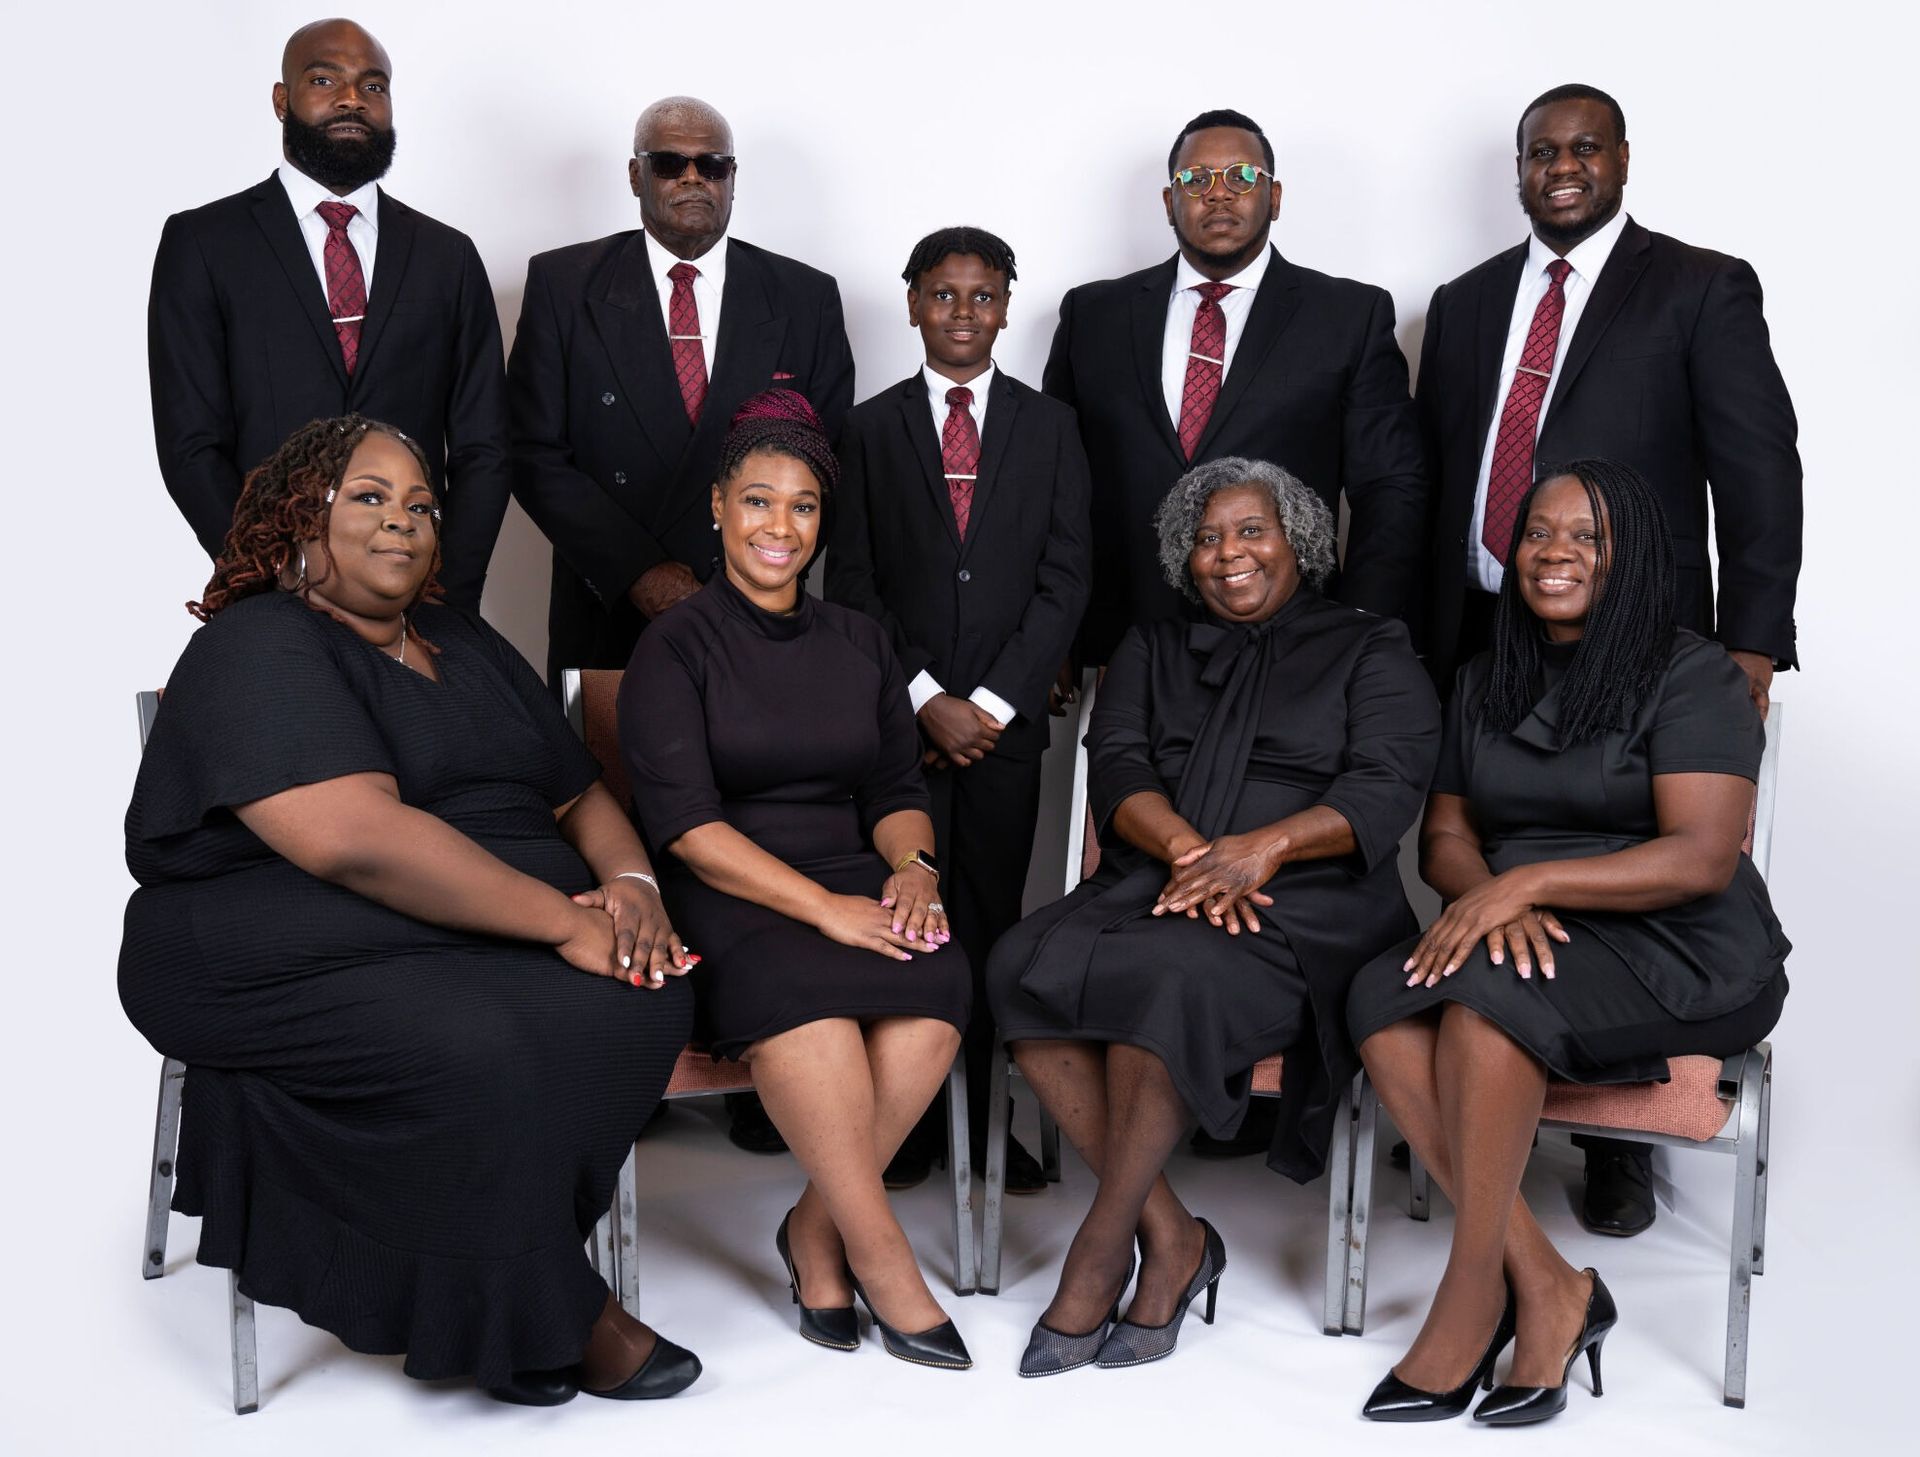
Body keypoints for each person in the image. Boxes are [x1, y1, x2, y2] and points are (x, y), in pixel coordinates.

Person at [119, 417, 702, 1406]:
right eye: (370, 496)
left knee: (644, 993)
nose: (404, 519)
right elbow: (355, 840)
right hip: (279, 936)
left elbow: (579, 792)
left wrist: (633, 888)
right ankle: (556, 1312)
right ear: (300, 517)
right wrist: (568, 921)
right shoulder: (258, 641)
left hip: (464, 921)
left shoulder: (465, 639)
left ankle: (495, 1282)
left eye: (422, 505)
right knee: (484, 1042)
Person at [1412, 83, 1802, 1235]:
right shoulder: (1466, 302)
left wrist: (1751, 644)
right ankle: (1478, 1081)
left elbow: (1760, 469)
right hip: (1481, 626)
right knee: (1477, 835)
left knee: (1615, 840)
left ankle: (1611, 1133)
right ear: (1519, 168)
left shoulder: (1698, 287)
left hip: (1637, 635)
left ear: (1623, 159)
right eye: (1542, 151)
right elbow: (1434, 475)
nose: (1563, 167)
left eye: (1585, 148)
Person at [1346, 461, 1789, 1427]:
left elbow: (1701, 855)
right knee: (1379, 997)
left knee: (1483, 1007)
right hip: (1523, 923)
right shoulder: (1485, 676)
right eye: (1539, 532)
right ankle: (1547, 1282)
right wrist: (1491, 895)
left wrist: (1527, 883)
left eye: (1588, 536)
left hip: (1679, 940)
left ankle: (1471, 1296)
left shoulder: (1692, 672)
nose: (1556, 552)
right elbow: (1445, 836)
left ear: (1634, 556)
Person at [986, 458, 1438, 1376]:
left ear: (1297, 541)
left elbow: (1386, 784)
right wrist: (1198, 857)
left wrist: (1263, 850)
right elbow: (1119, 764)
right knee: (1016, 965)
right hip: (1164, 876)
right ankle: (1172, 1232)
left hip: (1309, 902)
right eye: (1206, 538)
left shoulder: (1372, 645)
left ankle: (1100, 1252)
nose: (1229, 553)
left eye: (1251, 530)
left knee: (1168, 978)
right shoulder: (1151, 646)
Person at [622, 391, 975, 1370]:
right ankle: (883, 1256)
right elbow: (688, 830)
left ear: (823, 520)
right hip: (733, 889)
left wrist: (913, 868)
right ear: (718, 506)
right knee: (808, 1005)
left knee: (938, 982)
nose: (781, 525)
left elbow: (895, 790)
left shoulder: (860, 640)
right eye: (758, 500)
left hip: (853, 871)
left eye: (803, 505)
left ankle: (816, 1227)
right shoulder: (674, 645)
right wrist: (827, 911)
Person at [827, 226, 1092, 1195]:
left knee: (988, 919)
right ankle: (906, 1120)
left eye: (983, 296)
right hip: (898, 729)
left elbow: (1066, 578)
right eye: (944, 294)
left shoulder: (1050, 426)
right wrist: (924, 697)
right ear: (913, 304)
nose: (963, 312)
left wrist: (987, 704)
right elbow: (851, 580)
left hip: (1003, 734)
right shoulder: (868, 428)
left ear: (1007, 307)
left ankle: (986, 1118)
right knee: (903, 913)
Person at [1042, 107, 1427, 669]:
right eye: (1196, 179)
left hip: (1293, 644)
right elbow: (1053, 486)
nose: (1218, 193)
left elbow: (1389, 484)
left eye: (1242, 176)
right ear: (1169, 201)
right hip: (1121, 635)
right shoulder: (1092, 314)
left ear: (1275, 196)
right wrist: (1053, 632)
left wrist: (1357, 626)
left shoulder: (1348, 315)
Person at [148, 19, 511, 611]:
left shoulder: (448, 255)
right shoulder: (204, 243)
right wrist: (272, 573)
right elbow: (191, 444)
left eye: (373, 86)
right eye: (324, 80)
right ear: (281, 99)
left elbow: (484, 448)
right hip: (272, 600)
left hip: (422, 598)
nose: (351, 99)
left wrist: (444, 588)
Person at [509, 94, 857, 682]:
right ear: (635, 175)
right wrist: (640, 573)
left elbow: (830, 461)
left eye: (713, 165)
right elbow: (532, 452)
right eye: (670, 163)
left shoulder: (805, 296)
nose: (693, 178)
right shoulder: (562, 284)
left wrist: (754, 577)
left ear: (732, 177)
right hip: (609, 608)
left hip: (753, 609)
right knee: (608, 747)